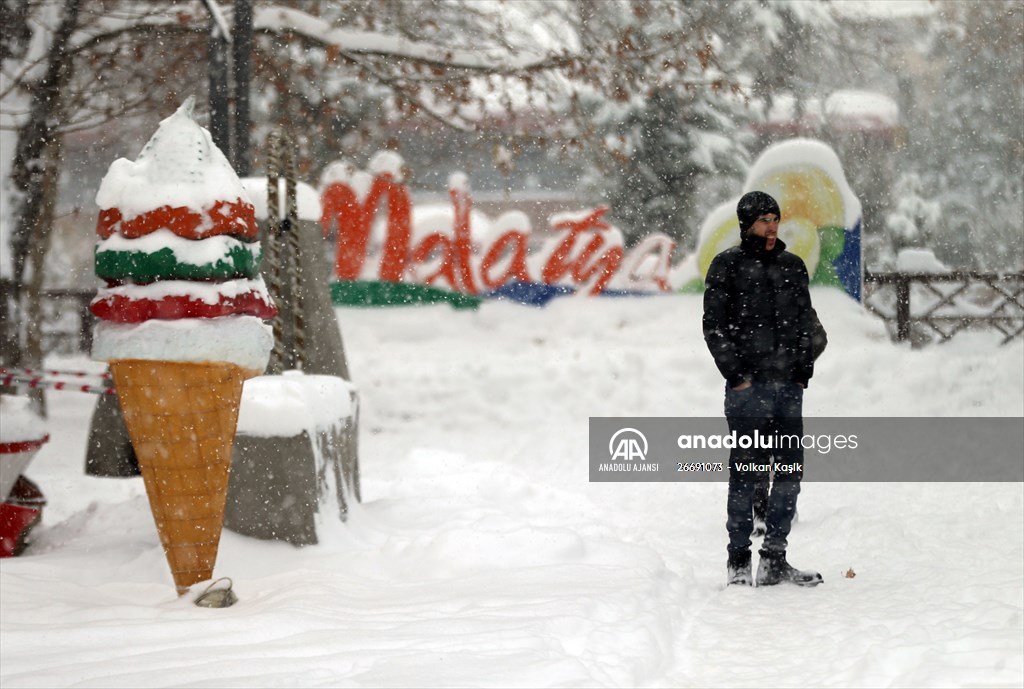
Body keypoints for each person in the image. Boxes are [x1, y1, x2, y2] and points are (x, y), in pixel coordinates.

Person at [702, 190, 824, 587]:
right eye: (763, 221)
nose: (771, 228)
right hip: (747, 391)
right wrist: (737, 375)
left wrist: (802, 370)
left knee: (789, 473)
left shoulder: (793, 266)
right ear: (746, 225)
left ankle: (774, 558)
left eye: (775, 219)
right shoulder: (727, 267)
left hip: (787, 389)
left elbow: (808, 323)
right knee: (747, 473)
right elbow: (714, 328)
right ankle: (738, 562)